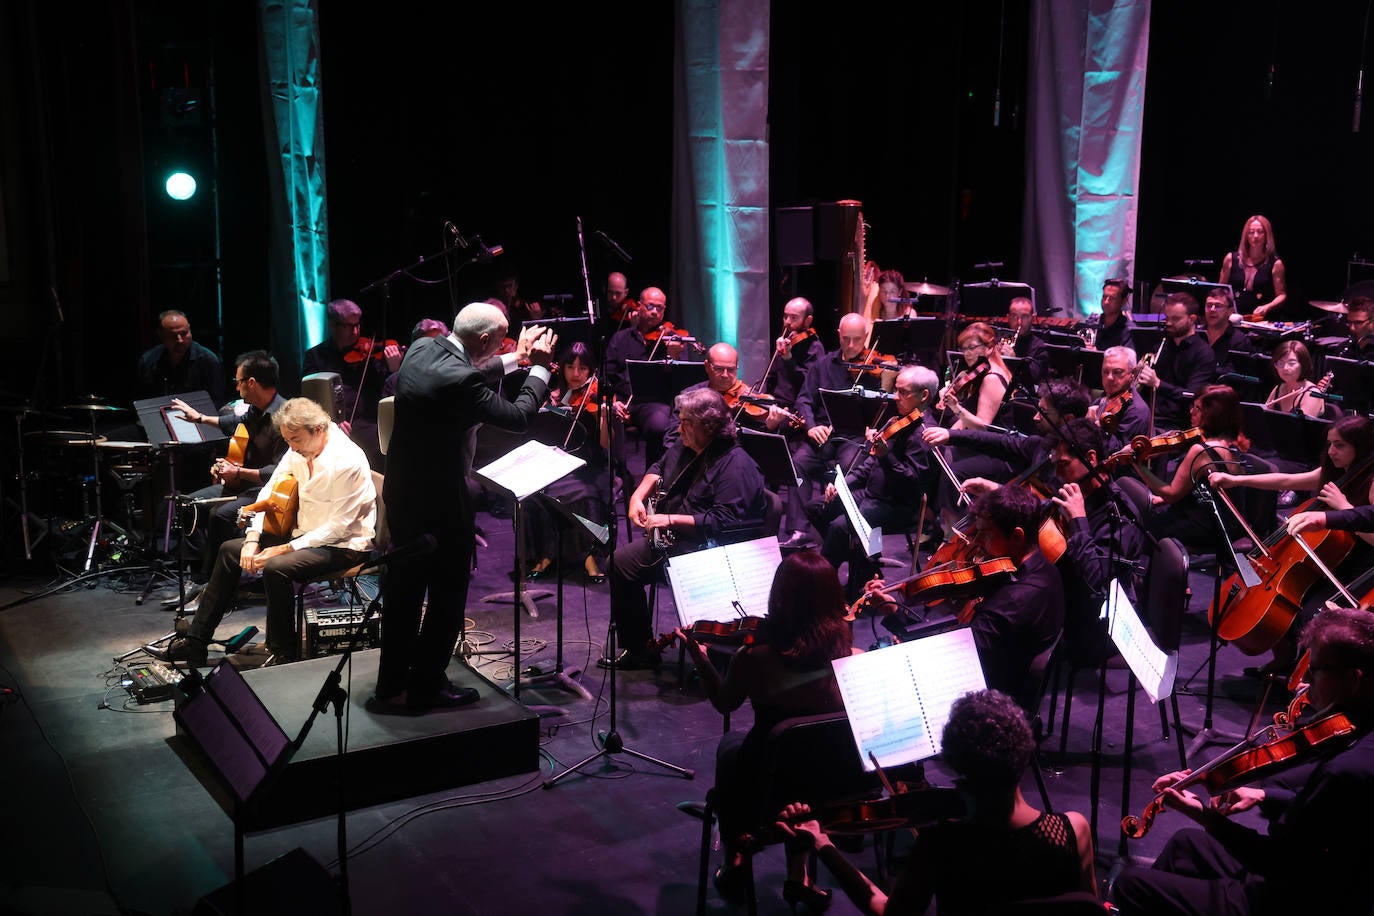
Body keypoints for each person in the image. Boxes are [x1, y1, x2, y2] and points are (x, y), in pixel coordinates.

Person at [1111, 604, 1374, 915]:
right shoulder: (1359, 727)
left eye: (1314, 670)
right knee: (1184, 846)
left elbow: (1276, 862)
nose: (1303, 681)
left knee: (1130, 884)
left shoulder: (1347, 769)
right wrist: (1264, 795)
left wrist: (1208, 819)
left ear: (1354, 680)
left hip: (1300, 899)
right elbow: (1329, 810)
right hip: (1313, 874)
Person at [377, 303, 556, 713]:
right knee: (447, 594)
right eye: (504, 337)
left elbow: (469, 370)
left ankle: (393, 687)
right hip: (439, 501)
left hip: (403, 493)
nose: (507, 341)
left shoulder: (425, 349)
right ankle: (426, 683)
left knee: (404, 596)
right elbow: (519, 416)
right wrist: (540, 369)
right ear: (484, 341)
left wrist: (517, 358)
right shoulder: (461, 381)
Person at [776, 689, 1098, 916]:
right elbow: (1088, 908)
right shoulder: (1074, 830)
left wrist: (822, 844)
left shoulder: (941, 848)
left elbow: (887, 911)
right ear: (1023, 756)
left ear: (960, 772)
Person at [675, 549, 859, 907]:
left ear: (780, 599)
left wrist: (699, 655)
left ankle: (737, 856)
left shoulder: (755, 659)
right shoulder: (852, 659)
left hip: (763, 792)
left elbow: (724, 703)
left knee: (731, 747)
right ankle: (799, 876)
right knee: (803, 765)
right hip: (830, 788)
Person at [150, 397, 377, 668]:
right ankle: (196, 643)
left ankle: (281, 651)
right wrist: (252, 539)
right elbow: (268, 493)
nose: (291, 447)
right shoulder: (299, 449)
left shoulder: (347, 460)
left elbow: (339, 526)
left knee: (276, 567)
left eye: (295, 440)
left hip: (344, 545)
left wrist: (283, 548)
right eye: (288, 440)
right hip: (305, 534)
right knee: (230, 550)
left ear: (318, 430)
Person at [604, 387, 769, 670]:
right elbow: (659, 465)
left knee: (625, 564)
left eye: (685, 423)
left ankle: (712, 653)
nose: (679, 429)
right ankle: (640, 648)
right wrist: (636, 496)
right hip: (677, 542)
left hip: (710, 552)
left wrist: (668, 519)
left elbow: (723, 523)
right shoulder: (687, 445)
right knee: (618, 564)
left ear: (709, 426)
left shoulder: (736, 465)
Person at [866, 484, 1064, 700]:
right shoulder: (1048, 571)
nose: (976, 541)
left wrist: (897, 617)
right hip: (1008, 675)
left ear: (1017, 537)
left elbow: (953, 662)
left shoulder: (1010, 603)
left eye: (985, 533)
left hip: (990, 699)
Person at [1211, 415, 1374, 675]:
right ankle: (1282, 663)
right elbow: (1286, 481)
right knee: (1287, 602)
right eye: (1330, 444)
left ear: (1362, 446)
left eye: (1340, 445)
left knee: (1308, 613)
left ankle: (1306, 678)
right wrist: (1235, 481)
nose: (1332, 451)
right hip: (1322, 561)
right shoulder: (1334, 472)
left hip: (1357, 566)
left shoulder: (1371, 482)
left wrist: (1343, 508)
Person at [166, 350, 289, 603]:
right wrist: (198, 418)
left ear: (251, 383)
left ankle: (218, 585)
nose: (236, 386)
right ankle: (199, 578)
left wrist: (238, 471)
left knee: (220, 514)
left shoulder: (284, 418)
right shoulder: (255, 411)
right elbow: (232, 423)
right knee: (187, 504)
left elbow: (279, 471)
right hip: (242, 485)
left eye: (238, 381)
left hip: (267, 492)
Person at [808, 365, 940, 600]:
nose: (895, 397)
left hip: (897, 506)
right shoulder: (896, 421)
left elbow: (911, 484)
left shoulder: (924, 435)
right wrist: (841, 485)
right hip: (871, 495)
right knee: (816, 508)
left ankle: (821, 589)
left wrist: (885, 456)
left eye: (903, 392)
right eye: (895, 390)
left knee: (840, 527)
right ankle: (865, 566)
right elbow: (868, 466)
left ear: (924, 395)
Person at [783, 312, 890, 549]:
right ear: (838, 336)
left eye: (857, 340)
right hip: (824, 435)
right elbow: (804, 400)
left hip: (854, 438)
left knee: (849, 470)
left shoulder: (876, 368)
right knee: (797, 463)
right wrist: (811, 427)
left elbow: (888, 406)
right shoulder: (823, 365)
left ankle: (858, 541)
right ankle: (799, 531)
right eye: (845, 339)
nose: (851, 346)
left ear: (866, 337)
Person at [520, 342, 611, 583]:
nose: (576, 374)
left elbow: (607, 446)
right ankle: (545, 554)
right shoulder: (551, 394)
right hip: (553, 462)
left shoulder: (597, 396)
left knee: (585, 493)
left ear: (591, 370)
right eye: (570, 367)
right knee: (531, 493)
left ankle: (589, 555)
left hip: (587, 466)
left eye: (582, 368)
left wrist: (604, 417)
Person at [1133, 384, 1244, 555]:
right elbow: (1207, 489)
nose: (1191, 412)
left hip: (1205, 528)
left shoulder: (1200, 451)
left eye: (1198, 409)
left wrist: (1137, 465)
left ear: (1213, 414)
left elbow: (1171, 494)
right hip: (1228, 524)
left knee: (1140, 527)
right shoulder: (1236, 445)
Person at [302, 298, 401, 473]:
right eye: (349, 326)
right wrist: (331, 422)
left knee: (380, 447)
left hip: (368, 424)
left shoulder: (371, 353)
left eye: (357, 325)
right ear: (333, 325)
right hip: (332, 426)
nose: (355, 331)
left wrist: (394, 369)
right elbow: (312, 399)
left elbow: (387, 389)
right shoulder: (315, 356)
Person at [605, 286, 692, 468]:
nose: (654, 312)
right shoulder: (620, 339)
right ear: (639, 306)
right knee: (607, 418)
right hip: (623, 400)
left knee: (659, 424)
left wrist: (673, 356)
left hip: (653, 403)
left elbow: (682, 381)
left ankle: (652, 476)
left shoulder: (672, 340)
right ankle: (619, 477)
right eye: (650, 306)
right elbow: (607, 375)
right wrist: (612, 401)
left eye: (659, 308)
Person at [664, 342, 795, 449]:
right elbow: (670, 441)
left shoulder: (749, 400)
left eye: (731, 369)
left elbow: (762, 447)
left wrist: (770, 427)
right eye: (719, 369)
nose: (725, 375)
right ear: (707, 366)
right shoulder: (689, 396)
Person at [1135, 292, 1218, 432]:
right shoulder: (1161, 346)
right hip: (1149, 418)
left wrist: (1158, 384)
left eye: (1175, 319)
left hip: (1178, 425)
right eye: (1167, 317)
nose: (1168, 323)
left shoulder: (1204, 353)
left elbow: (1192, 395)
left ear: (1192, 319)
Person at [135, 309, 224, 405]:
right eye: (173, 335)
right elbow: (142, 401)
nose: (180, 340)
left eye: (184, 333)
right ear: (160, 335)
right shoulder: (148, 360)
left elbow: (217, 402)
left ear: (190, 329)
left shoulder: (208, 360)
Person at [1218, 214, 1287, 320]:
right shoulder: (1230, 258)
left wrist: (1267, 307)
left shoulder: (1276, 264)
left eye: (1260, 232)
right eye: (1251, 232)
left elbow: (1281, 295)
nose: (1255, 236)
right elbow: (1220, 289)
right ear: (1246, 235)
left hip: (1261, 321)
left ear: (1266, 235)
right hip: (1233, 319)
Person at [762, 296, 824, 412]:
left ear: (808, 320)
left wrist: (789, 360)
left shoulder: (815, 347)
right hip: (775, 405)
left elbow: (809, 384)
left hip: (795, 409)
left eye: (793, 317)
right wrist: (759, 396)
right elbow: (771, 378)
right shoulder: (785, 341)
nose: (787, 322)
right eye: (785, 316)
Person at [1087, 346, 1151, 453]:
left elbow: (1118, 452)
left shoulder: (1137, 410)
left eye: (1117, 372)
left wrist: (1094, 427)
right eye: (1105, 372)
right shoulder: (1105, 397)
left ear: (1133, 373)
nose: (1109, 378)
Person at [380, 319, 449, 399]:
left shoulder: (454, 376)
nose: (435, 350)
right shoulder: (394, 381)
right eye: (428, 344)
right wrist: (396, 372)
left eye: (439, 344)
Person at [1200, 285, 1254, 378]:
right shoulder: (1196, 334)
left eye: (1218, 306)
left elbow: (1234, 376)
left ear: (1230, 311)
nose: (1212, 310)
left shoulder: (1239, 341)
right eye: (1209, 306)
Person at [1263, 339, 1325, 419]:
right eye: (1280, 363)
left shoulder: (1312, 394)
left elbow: (1302, 429)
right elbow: (1263, 417)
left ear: (1303, 365)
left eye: (1291, 363)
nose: (1285, 368)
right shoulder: (1279, 388)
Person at [1000, 296, 1050, 385]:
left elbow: (1031, 379)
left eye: (1025, 316)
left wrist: (1014, 361)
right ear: (1008, 317)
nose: (1019, 322)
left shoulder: (1039, 347)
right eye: (1014, 316)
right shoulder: (1000, 339)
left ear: (1033, 318)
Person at [1091, 278, 1135, 352]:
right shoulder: (1094, 322)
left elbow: (1127, 360)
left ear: (1123, 301)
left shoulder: (1129, 330)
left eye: (1112, 298)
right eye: (1104, 297)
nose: (1106, 302)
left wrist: (1096, 353)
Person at [1335, 296, 1374, 360]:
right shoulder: (1343, 348)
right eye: (1349, 322)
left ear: (1372, 321)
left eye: (1358, 323)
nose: (1352, 328)